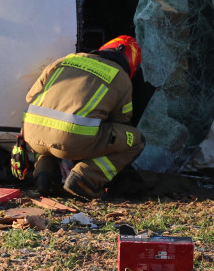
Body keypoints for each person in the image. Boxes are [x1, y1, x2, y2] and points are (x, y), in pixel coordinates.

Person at [21, 35, 145, 200]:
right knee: (135, 140)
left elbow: (31, 97)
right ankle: (85, 179)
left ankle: (45, 175)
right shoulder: (120, 77)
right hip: (71, 140)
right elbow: (122, 121)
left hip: (32, 135)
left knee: (50, 126)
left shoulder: (64, 60)